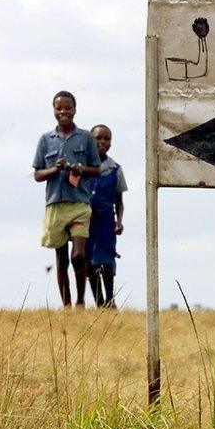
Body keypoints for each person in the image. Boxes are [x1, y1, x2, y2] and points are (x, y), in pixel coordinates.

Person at [33, 90, 101, 308]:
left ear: (75, 110)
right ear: (53, 110)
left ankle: (81, 301)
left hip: (80, 204)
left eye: (67, 108)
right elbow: (37, 175)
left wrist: (81, 169)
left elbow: (97, 170)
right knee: (61, 259)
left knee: (78, 256)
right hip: (55, 204)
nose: (63, 112)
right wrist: (54, 169)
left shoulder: (86, 138)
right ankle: (67, 305)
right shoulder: (45, 140)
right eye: (59, 108)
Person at [85, 124, 127, 308]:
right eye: (98, 138)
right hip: (86, 219)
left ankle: (110, 300)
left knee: (108, 260)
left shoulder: (115, 169)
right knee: (90, 262)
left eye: (106, 139)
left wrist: (119, 221)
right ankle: (99, 302)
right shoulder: (84, 166)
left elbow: (119, 200)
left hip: (106, 220)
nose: (102, 142)